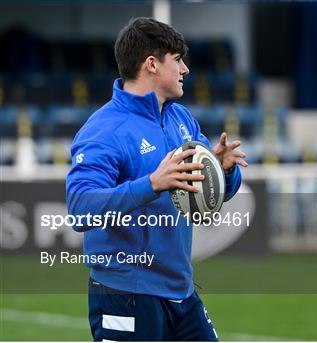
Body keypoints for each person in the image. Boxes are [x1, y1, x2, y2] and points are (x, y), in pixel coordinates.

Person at [66, 17, 247, 341]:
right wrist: (151, 184)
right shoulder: (103, 131)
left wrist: (223, 170)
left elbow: (207, 197)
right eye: (177, 59)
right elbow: (80, 208)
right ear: (151, 64)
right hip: (124, 294)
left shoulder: (181, 118)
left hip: (181, 290)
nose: (185, 69)